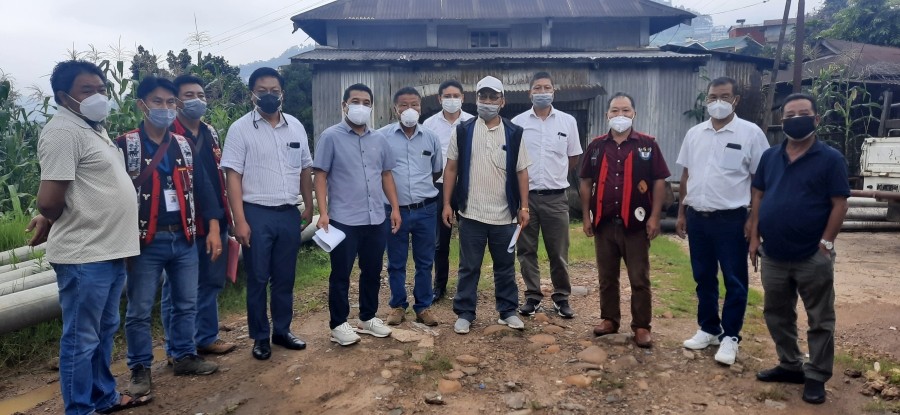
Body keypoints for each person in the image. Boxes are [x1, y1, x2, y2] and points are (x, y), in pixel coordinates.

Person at [33, 60, 151, 415]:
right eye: (87, 90)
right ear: (63, 96)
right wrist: (49, 216)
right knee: (81, 340)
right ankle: (80, 409)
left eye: (102, 89)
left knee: (102, 331)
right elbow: (49, 200)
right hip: (85, 254)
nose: (98, 96)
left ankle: (104, 397)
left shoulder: (92, 128)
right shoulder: (63, 132)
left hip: (109, 250)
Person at [116, 76, 223, 396]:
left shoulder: (183, 144)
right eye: (157, 102)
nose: (165, 108)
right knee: (139, 309)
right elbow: (108, 191)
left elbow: (204, 188)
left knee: (185, 302)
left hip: (184, 235)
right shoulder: (126, 145)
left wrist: (213, 227)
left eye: (169, 102)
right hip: (145, 240)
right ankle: (140, 367)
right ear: (142, 105)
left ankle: (184, 355)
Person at [749, 93, 849, 405]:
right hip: (774, 253)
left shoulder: (831, 159)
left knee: (820, 317)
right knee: (776, 313)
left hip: (812, 255)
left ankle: (816, 375)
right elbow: (758, 195)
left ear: (816, 119)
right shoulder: (770, 157)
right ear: (782, 121)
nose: (796, 119)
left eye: (802, 114)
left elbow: (839, 203)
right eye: (789, 115)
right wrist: (754, 237)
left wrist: (826, 244)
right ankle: (790, 364)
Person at [221, 67, 314, 360]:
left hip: (288, 212)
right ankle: (260, 337)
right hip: (256, 213)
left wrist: (309, 205)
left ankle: (282, 331)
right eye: (262, 91)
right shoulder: (240, 129)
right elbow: (233, 176)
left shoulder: (295, 126)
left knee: (285, 278)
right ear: (252, 95)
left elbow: (305, 168)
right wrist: (239, 220)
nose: (269, 96)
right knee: (259, 278)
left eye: (274, 91)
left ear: (282, 93)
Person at [675, 76, 769, 365]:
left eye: (725, 96)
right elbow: (686, 175)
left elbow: (760, 182)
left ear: (735, 100)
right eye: (713, 96)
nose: (718, 102)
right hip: (698, 217)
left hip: (731, 220)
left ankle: (730, 337)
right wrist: (681, 212)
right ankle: (709, 328)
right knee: (703, 276)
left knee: (734, 279)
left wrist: (754, 219)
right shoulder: (695, 134)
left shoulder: (750, 134)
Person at [578, 93, 669, 348]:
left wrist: (655, 217)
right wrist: (586, 216)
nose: (620, 115)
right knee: (607, 276)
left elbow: (659, 181)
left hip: (636, 224)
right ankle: (609, 319)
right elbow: (585, 182)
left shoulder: (647, 145)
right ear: (607, 114)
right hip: (604, 222)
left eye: (626, 110)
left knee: (639, 277)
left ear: (634, 114)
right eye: (615, 110)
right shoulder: (596, 146)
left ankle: (641, 326)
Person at [442, 75, 531, 335]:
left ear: (502, 101)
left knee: (505, 267)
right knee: (469, 267)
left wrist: (524, 207)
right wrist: (447, 204)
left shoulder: (514, 133)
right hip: (471, 213)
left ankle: (508, 311)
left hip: (505, 216)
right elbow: (451, 168)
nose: (488, 102)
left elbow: (522, 171)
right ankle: (465, 313)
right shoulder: (463, 130)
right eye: (484, 96)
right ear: (476, 99)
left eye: (494, 97)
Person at [314, 83, 401, 346]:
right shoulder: (330, 137)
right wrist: (323, 213)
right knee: (341, 273)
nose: (360, 106)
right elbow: (320, 175)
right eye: (355, 101)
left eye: (366, 102)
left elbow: (386, 175)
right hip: (343, 219)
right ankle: (338, 324)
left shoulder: (379, 139)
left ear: (371, 107)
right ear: (344, 105)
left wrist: (395, 208)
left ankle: (367, 317)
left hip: (376, 217)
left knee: (372, 270)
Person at [158, 74, 235, 356]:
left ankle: (207, 336)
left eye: (201, 95)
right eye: (189, 96)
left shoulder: (210, 132)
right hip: (183, 223)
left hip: (216, 218)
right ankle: (176, 347)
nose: (197, 101)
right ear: (176, 101)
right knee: (177, 288)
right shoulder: (167, 133)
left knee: (211, 281)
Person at [511, 71, 582, 319]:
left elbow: (573, 157)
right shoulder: (518, 123)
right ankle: (532, 296)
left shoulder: (567, 122)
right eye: (538, 88)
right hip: (526, 199)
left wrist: (555, 176)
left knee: (558, 252)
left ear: (554, 91)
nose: (543, 92)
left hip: (556, 198)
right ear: (529, 93)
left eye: (547, 88)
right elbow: (513, 161)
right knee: (526, 250)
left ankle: (561, 297)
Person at [378, 87, 442, 327]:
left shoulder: (431, 137)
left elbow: (436, 171)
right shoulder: (382, 137)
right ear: (395, 109)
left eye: (414, 104)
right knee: (396, 262)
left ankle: (423, 307)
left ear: (421, 107)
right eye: (404, 105)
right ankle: (397, 305)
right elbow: (379, 172)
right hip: (394, 211)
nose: (409, 109)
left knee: (425, 261)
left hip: (426, 209)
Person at [423, 80, 474, 301]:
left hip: (466, 186)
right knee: (440, 241)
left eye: (455, 96)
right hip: (439, 186)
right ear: (439, 99)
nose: (451, 100)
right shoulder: (429, 124)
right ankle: (439, 286)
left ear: (463, 98)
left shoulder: (472, 122)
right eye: (447, 96)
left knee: (468, 239)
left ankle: (466, 286)